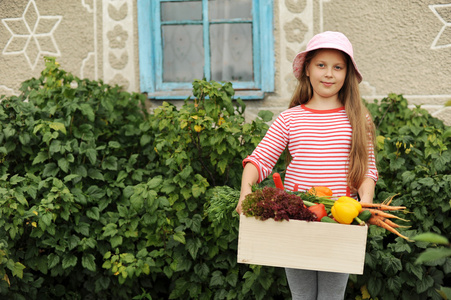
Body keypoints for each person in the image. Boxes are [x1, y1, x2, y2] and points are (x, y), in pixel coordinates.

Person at [235, 31, 378, 300]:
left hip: (340, 222)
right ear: (308, 70)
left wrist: (365, 203)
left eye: (338, 67)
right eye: (321, 65)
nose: (329, 74)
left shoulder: (358, 119)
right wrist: (246, 189)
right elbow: (260, 159)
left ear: (347, 74)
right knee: (301, 296)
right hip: (295, 222)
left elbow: (367, 170)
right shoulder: (289, 119)